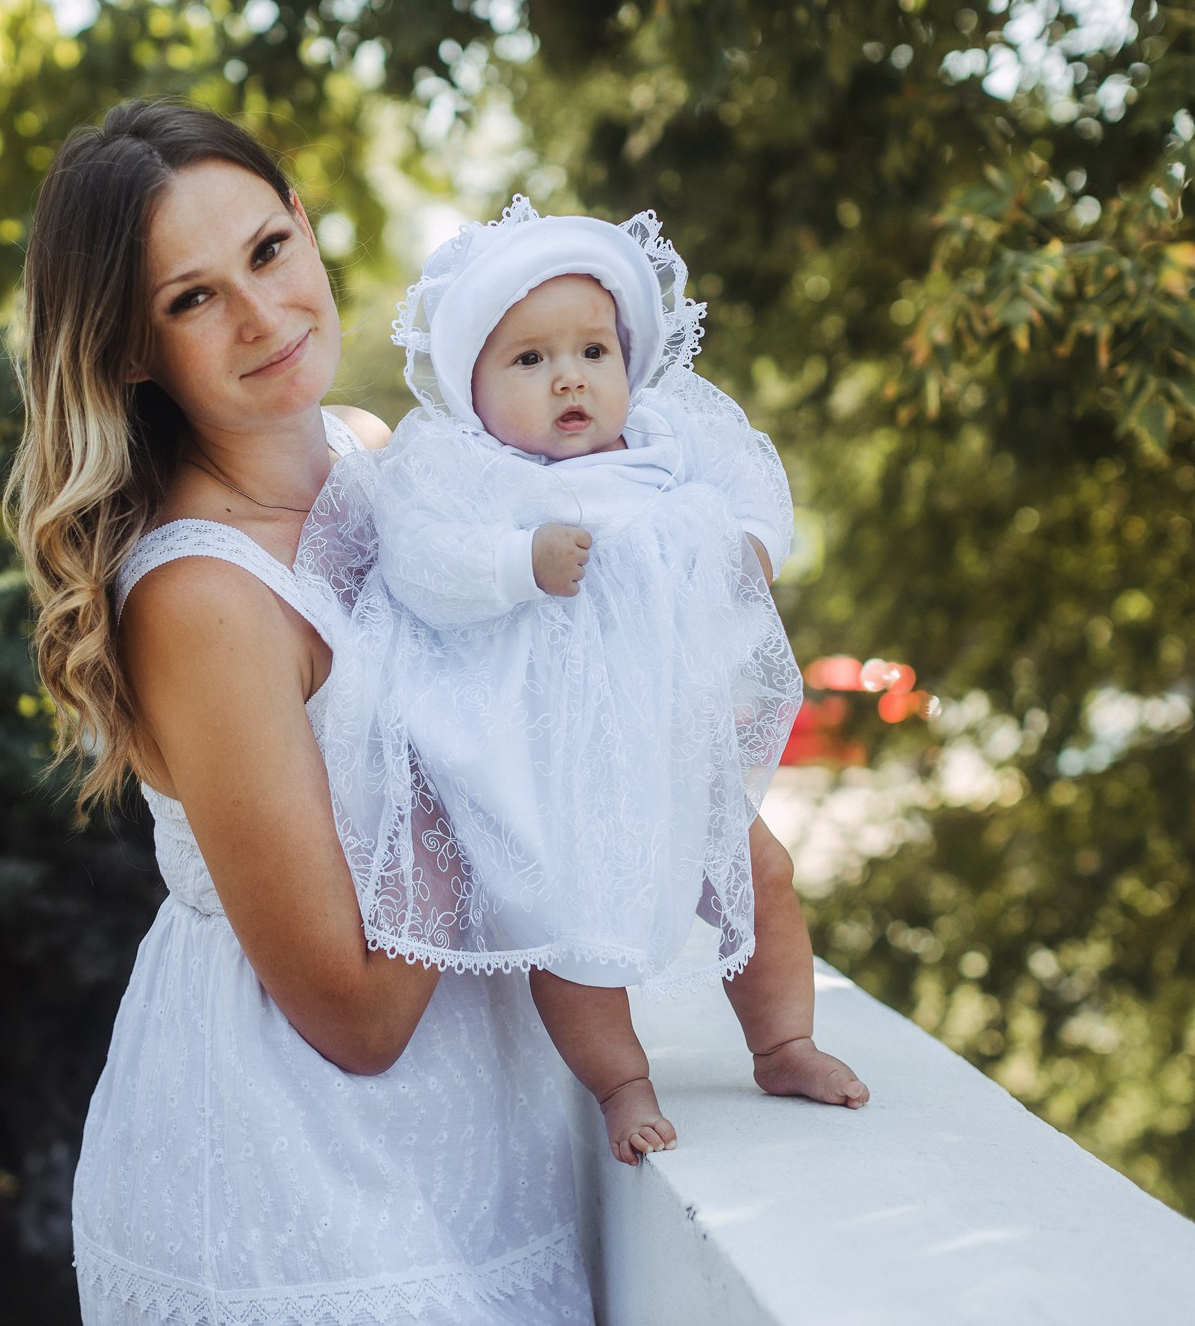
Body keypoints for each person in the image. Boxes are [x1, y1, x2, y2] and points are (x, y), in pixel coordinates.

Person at [6, 104, 593, 1323]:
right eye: (192, 299)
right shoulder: (203, 597)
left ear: (306, 226)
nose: (263, 315)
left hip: (484, 1122)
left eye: (269, 251)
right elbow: (357, 1015)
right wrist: (488, 739)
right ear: (130, 349)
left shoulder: (370, 454)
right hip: (304, 1174)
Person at [302, 200, 868, 1167]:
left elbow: (751, 477)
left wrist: (750, 545)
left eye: (593, 351)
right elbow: (418, 561)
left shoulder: (666, 439)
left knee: (761, 875)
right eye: (529, 359)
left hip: (670, 751)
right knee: (568, 938)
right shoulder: (466, 472)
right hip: (552, 777)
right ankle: (621, 1082)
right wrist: (516, 562)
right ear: (473, 388)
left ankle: (783, 1044)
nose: (569, 375)